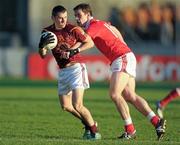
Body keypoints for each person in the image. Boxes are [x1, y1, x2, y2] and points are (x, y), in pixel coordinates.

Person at [71, 3, 166, 140]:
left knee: (115, 94)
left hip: (121, 58)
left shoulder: (93, 26)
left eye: (79, 15)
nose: (77, 19)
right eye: (75, 16)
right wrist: (123, 44)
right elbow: (114, 29)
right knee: (129, 95)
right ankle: (157, 122)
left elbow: (85, 41)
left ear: (88, 15)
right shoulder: (101, 23)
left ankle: (130, 129)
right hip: (125, 56)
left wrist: (72, 50)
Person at [38, 5, 101, 140]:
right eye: (60, 18)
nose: (63, 21)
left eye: (65, 17)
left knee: (78, 105)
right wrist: (41, 47)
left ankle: (95, 132)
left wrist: (74, 51)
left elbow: (90, 43)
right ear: (53, 18)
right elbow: (43, 55)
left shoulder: (73, 29)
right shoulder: (47, 32)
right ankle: (89, 123)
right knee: (66, 106)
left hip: (76, 68)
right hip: (63, 71)